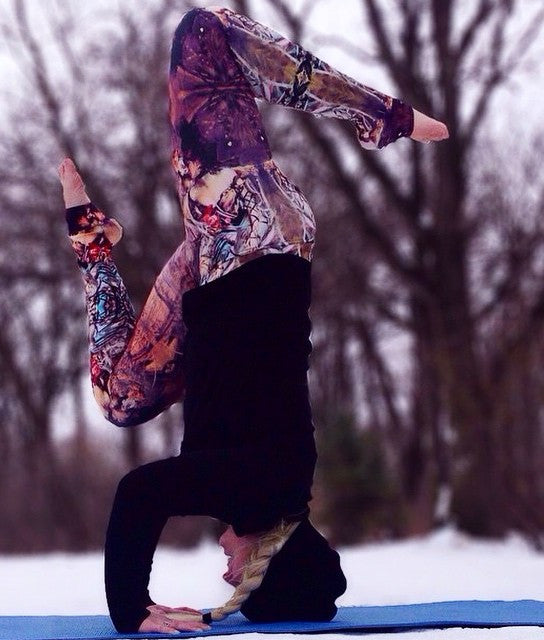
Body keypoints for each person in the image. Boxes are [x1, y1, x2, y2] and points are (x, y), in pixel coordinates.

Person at [57, 5, 448, 635]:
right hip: (253, 234)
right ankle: (384, 117)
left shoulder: (270, 489)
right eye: (240, 573)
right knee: (201, 33)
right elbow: (135, 494)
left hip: (215, 276)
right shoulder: (256, 488)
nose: (224, 568)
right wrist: (131, 612)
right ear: (267, 559)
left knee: (121, 400)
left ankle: (93, 237)